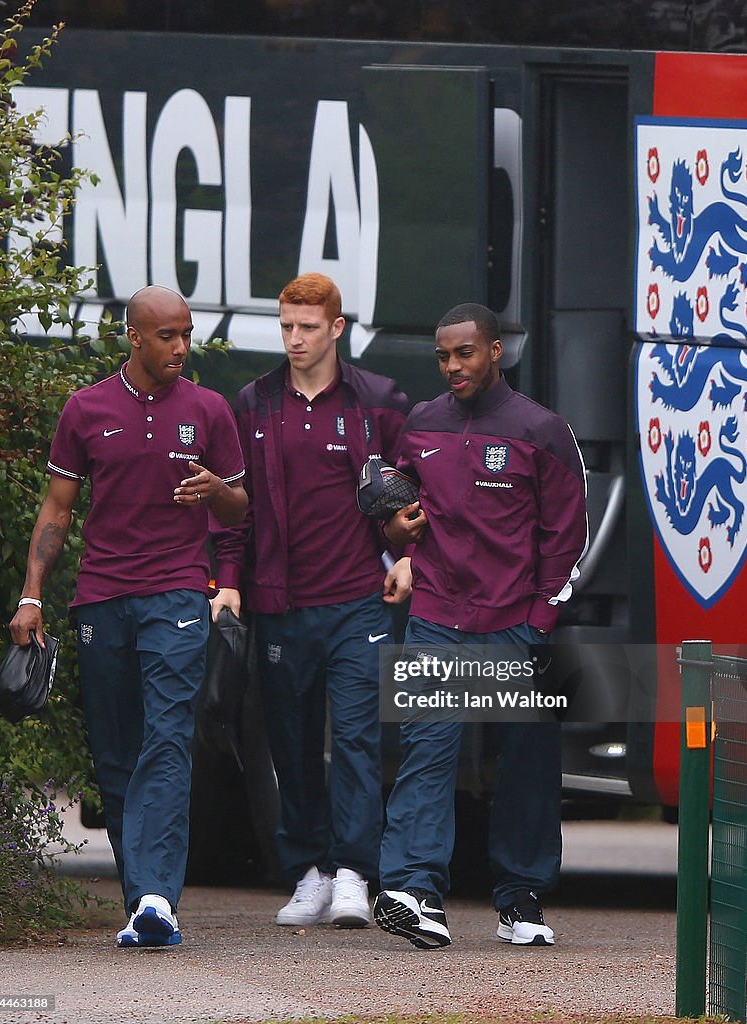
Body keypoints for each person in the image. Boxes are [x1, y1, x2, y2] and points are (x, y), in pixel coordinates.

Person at [8, 285, 248, 948]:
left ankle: (156, 899)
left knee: (167, 738)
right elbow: (57, 510)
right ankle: (140, 897)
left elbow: (239, 511)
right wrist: (31, 596)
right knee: (116, 754)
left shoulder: (209, 410)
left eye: (187, 334)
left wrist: (218, 491)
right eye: (167, 335)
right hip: (101, 600)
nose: (180, 347)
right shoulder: (86, 409)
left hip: (175, 595)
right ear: (134, 337)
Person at [373, 302, 588, 949]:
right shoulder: (421, 424)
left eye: (463, 353)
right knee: (426, 755)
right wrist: (399, 546)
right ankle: (414, 892)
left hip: (516, 619)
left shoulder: (542, 429)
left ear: (495, 351)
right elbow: (393, 504)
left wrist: (540, 613)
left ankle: (520, 900)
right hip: (437, 614)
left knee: (526, 761)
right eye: (442, 356)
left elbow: (567, 531)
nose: (451, 366)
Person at [211, 272, 410, 929]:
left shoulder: (377, 401)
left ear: (336, 328)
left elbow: (410, 501)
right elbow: (235, 505)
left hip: (357, 599)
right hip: (279, 602)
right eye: (286, 326)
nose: (294, 339)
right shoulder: (254, 402)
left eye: (306, 327)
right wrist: (230, 580)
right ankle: (308, 873)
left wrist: (408, 557)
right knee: (289, 743)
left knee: (354, 739)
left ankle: (354, 874)